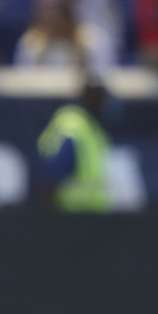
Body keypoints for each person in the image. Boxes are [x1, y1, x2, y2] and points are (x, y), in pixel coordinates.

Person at [37, 73, 113, 212]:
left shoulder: (94, 129)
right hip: (73, 212)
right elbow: (54, 172)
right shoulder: (74, 124)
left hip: (92, 213)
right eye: (95, 96)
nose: (100, 101)